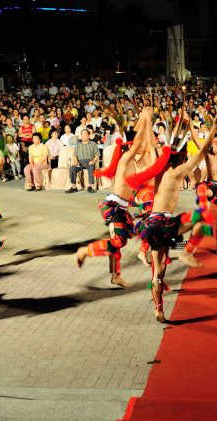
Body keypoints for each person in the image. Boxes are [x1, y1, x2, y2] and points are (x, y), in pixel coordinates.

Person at [132, 113, 217, 322]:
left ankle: (159, 310)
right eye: (183, 157)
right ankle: (187, 252)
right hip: (166, 222)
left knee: (158, 272)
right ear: (179, 158)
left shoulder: (158, 170)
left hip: (152, 224)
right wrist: (214, 127)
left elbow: (153, 147)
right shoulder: (176, 172)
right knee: (203, 214)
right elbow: (202, 153)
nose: (185, 159)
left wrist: (147, 120)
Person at [75, 108, 155, 288]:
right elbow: (139, 141)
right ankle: (84, 251)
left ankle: (115, 275)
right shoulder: (126, 158)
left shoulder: (133, 160)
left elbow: (143, 143)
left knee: (120, 241)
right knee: (117, 241)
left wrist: (144, 120)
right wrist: (145, 119)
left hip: (122, 206)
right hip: (114, 205)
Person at [65, 129, 99, 193]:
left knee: (91, 166)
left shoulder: (93, 144)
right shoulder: (78, 145)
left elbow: (97, 155)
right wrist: (76, 161)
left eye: (85, 134)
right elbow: (75, 155)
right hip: (80, 162)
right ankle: (73, 187)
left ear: (89, 136)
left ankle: (90, 186)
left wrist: (93, 161)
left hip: (89, 162)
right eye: (82, 134)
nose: (83, 136)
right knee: (72, 168)